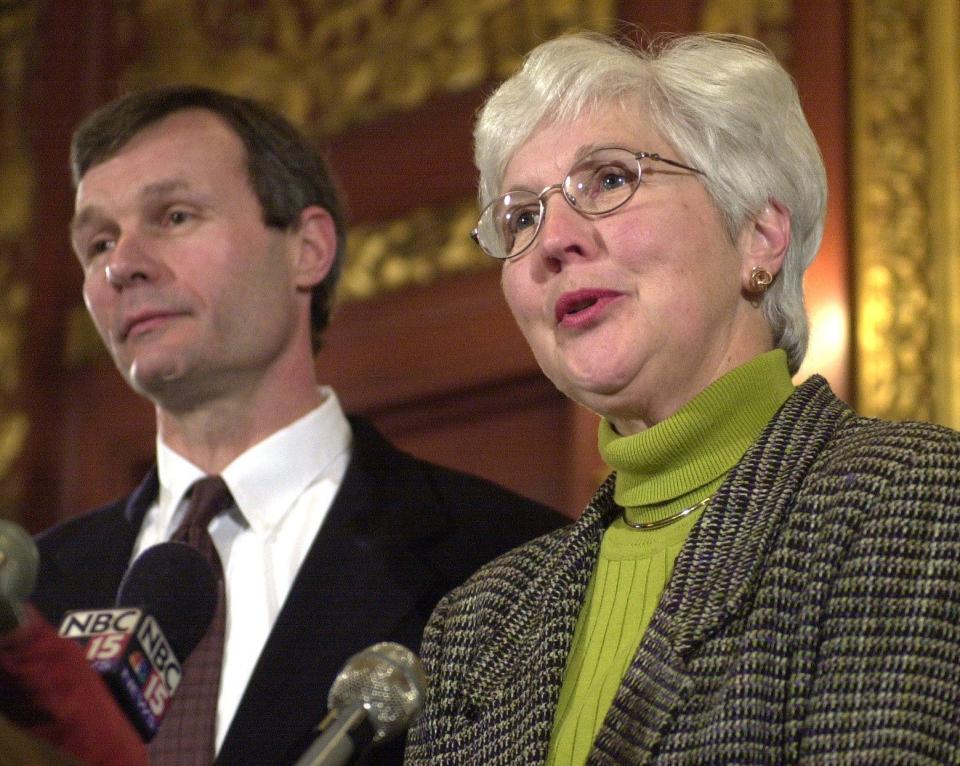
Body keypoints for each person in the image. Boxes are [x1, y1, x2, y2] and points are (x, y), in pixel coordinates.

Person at [404, 32, 960, 765]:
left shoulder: (909, 498)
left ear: (760, 235)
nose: (550, 243)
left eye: (605, 180)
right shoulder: (476, 623)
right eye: (521, 217)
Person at [28, 85, 563, 766]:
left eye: (174, 216)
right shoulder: (32, 597)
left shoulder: (509, 561)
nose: (120, 265)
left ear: (307, 248)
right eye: (98, 240)